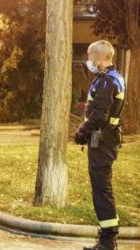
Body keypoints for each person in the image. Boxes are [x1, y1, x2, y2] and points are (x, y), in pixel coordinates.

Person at [74, 40, 125, 250]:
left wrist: (82, 132)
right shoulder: (113, 78)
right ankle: (107, 239)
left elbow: (99, 115)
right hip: (106, 141)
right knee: (103, 189)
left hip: (102, 142)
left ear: (100, 57)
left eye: (90, 56)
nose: (89, 61)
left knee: (102, 191)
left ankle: (107, 242)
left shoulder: (106, 81)